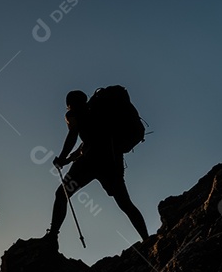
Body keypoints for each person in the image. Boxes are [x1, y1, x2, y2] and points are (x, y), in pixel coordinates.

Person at [45, 89, 149, 244]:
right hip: (111, 161)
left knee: (62, 194)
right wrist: (67, 160)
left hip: (89, 162)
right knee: (125, 203)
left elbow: (74, 135)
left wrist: (61, 157)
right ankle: (147, 239)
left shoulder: (74, 114)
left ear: (69, 105)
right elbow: (85, 145)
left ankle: (53, 236)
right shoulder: (97, 115)